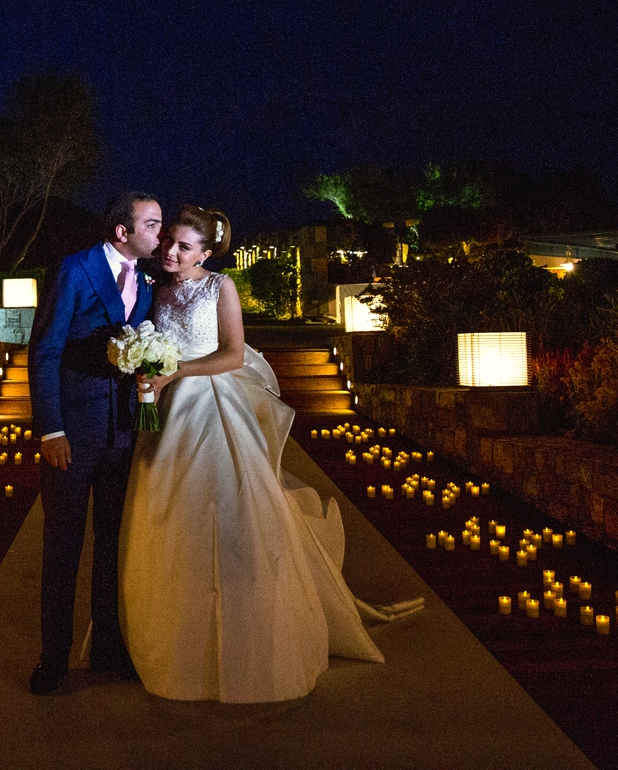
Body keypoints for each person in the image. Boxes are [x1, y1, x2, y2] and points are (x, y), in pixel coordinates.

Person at [118, 205, 422, 702]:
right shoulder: (158, 288)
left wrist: (175, 372)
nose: (172, 251)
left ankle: (247, 632)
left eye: (185, 246)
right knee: (165, 516)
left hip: (210, 404)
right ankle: (172, 632)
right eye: (170, 241)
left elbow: (233, 354)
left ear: (208, 252)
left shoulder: (221, 288)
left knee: (230, 513)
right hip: (165, 414)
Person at [26, 192, 162, 695]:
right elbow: (44, 351)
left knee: (112, 546)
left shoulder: (146, 281)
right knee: (63, 546)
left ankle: (106, 645)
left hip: (122, 434)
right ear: (122, 231)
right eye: (151, 224)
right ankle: (53, 659)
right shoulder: (75, 270)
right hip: (72, 435)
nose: (159, 233)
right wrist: (51, 429)